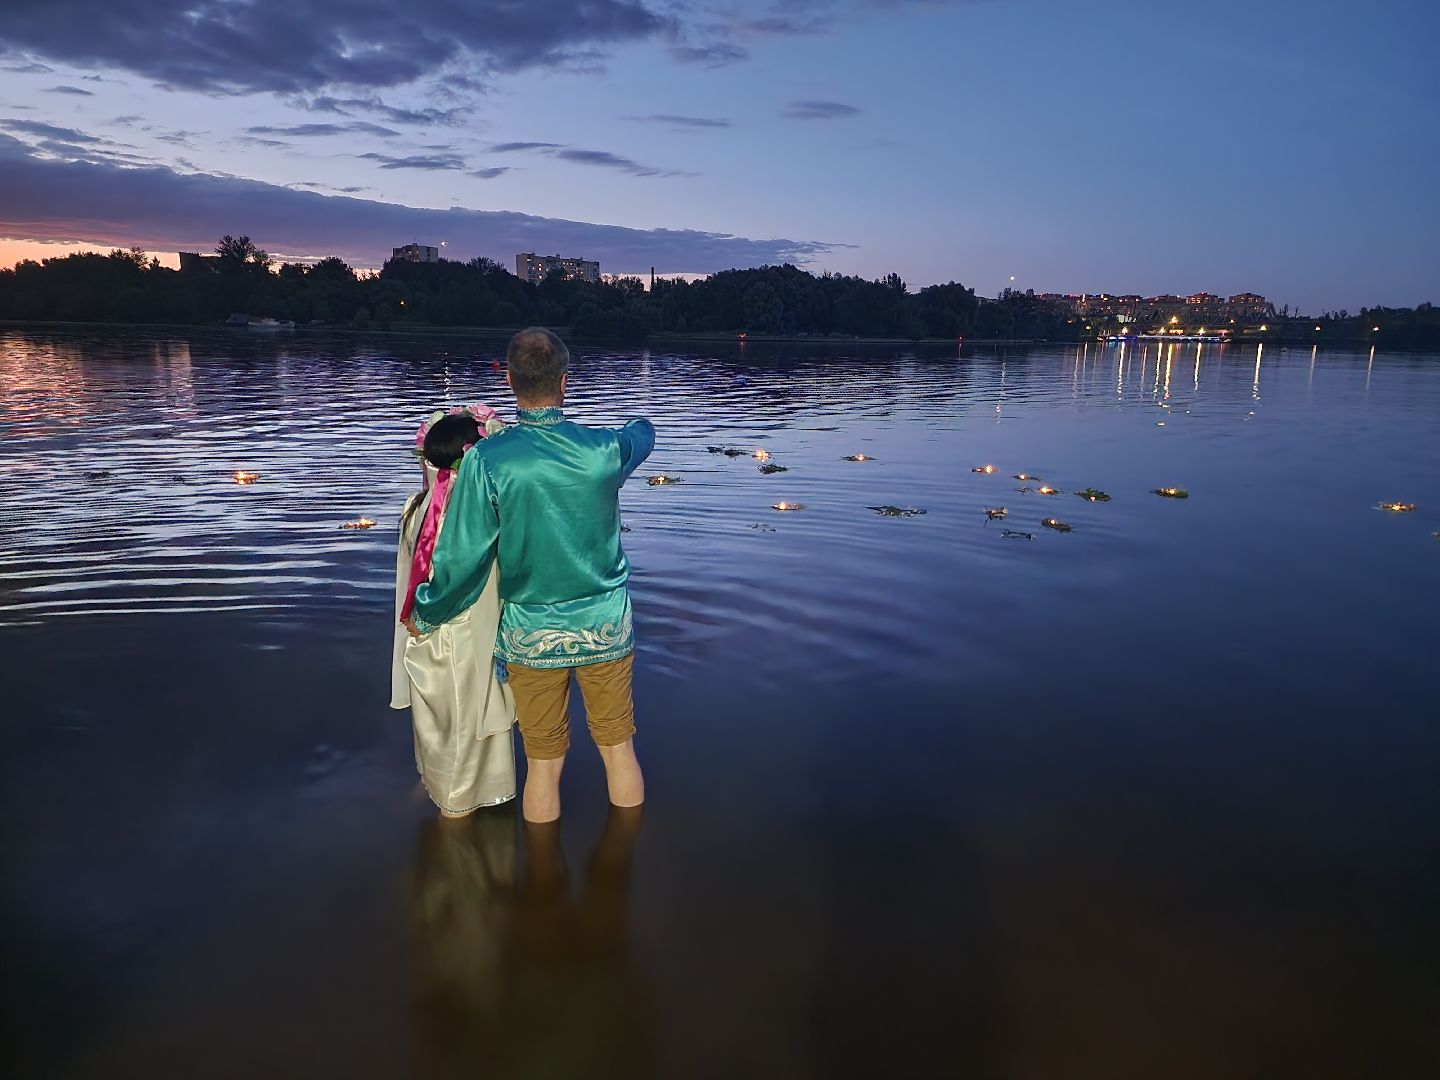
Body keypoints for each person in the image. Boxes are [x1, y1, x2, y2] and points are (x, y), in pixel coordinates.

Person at [408, 328, 655, 823]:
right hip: (605, 625)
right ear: (565, 381)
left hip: (531, 634)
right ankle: (620, 877)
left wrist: (426, 610)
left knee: (543, 763)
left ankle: (543, 886)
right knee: (618, 750)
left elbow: (463, 556)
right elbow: (642, 435)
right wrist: (637, 420)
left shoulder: (486, 460)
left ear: (510, 380)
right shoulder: (604, 451)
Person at [391, 405, 517, 816]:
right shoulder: (478, 517)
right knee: (467, 723)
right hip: (464, 636)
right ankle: (457, 807)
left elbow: (407, 577)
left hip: (421, 637)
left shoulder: (416, 507)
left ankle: (436, 783)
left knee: (437, 722)